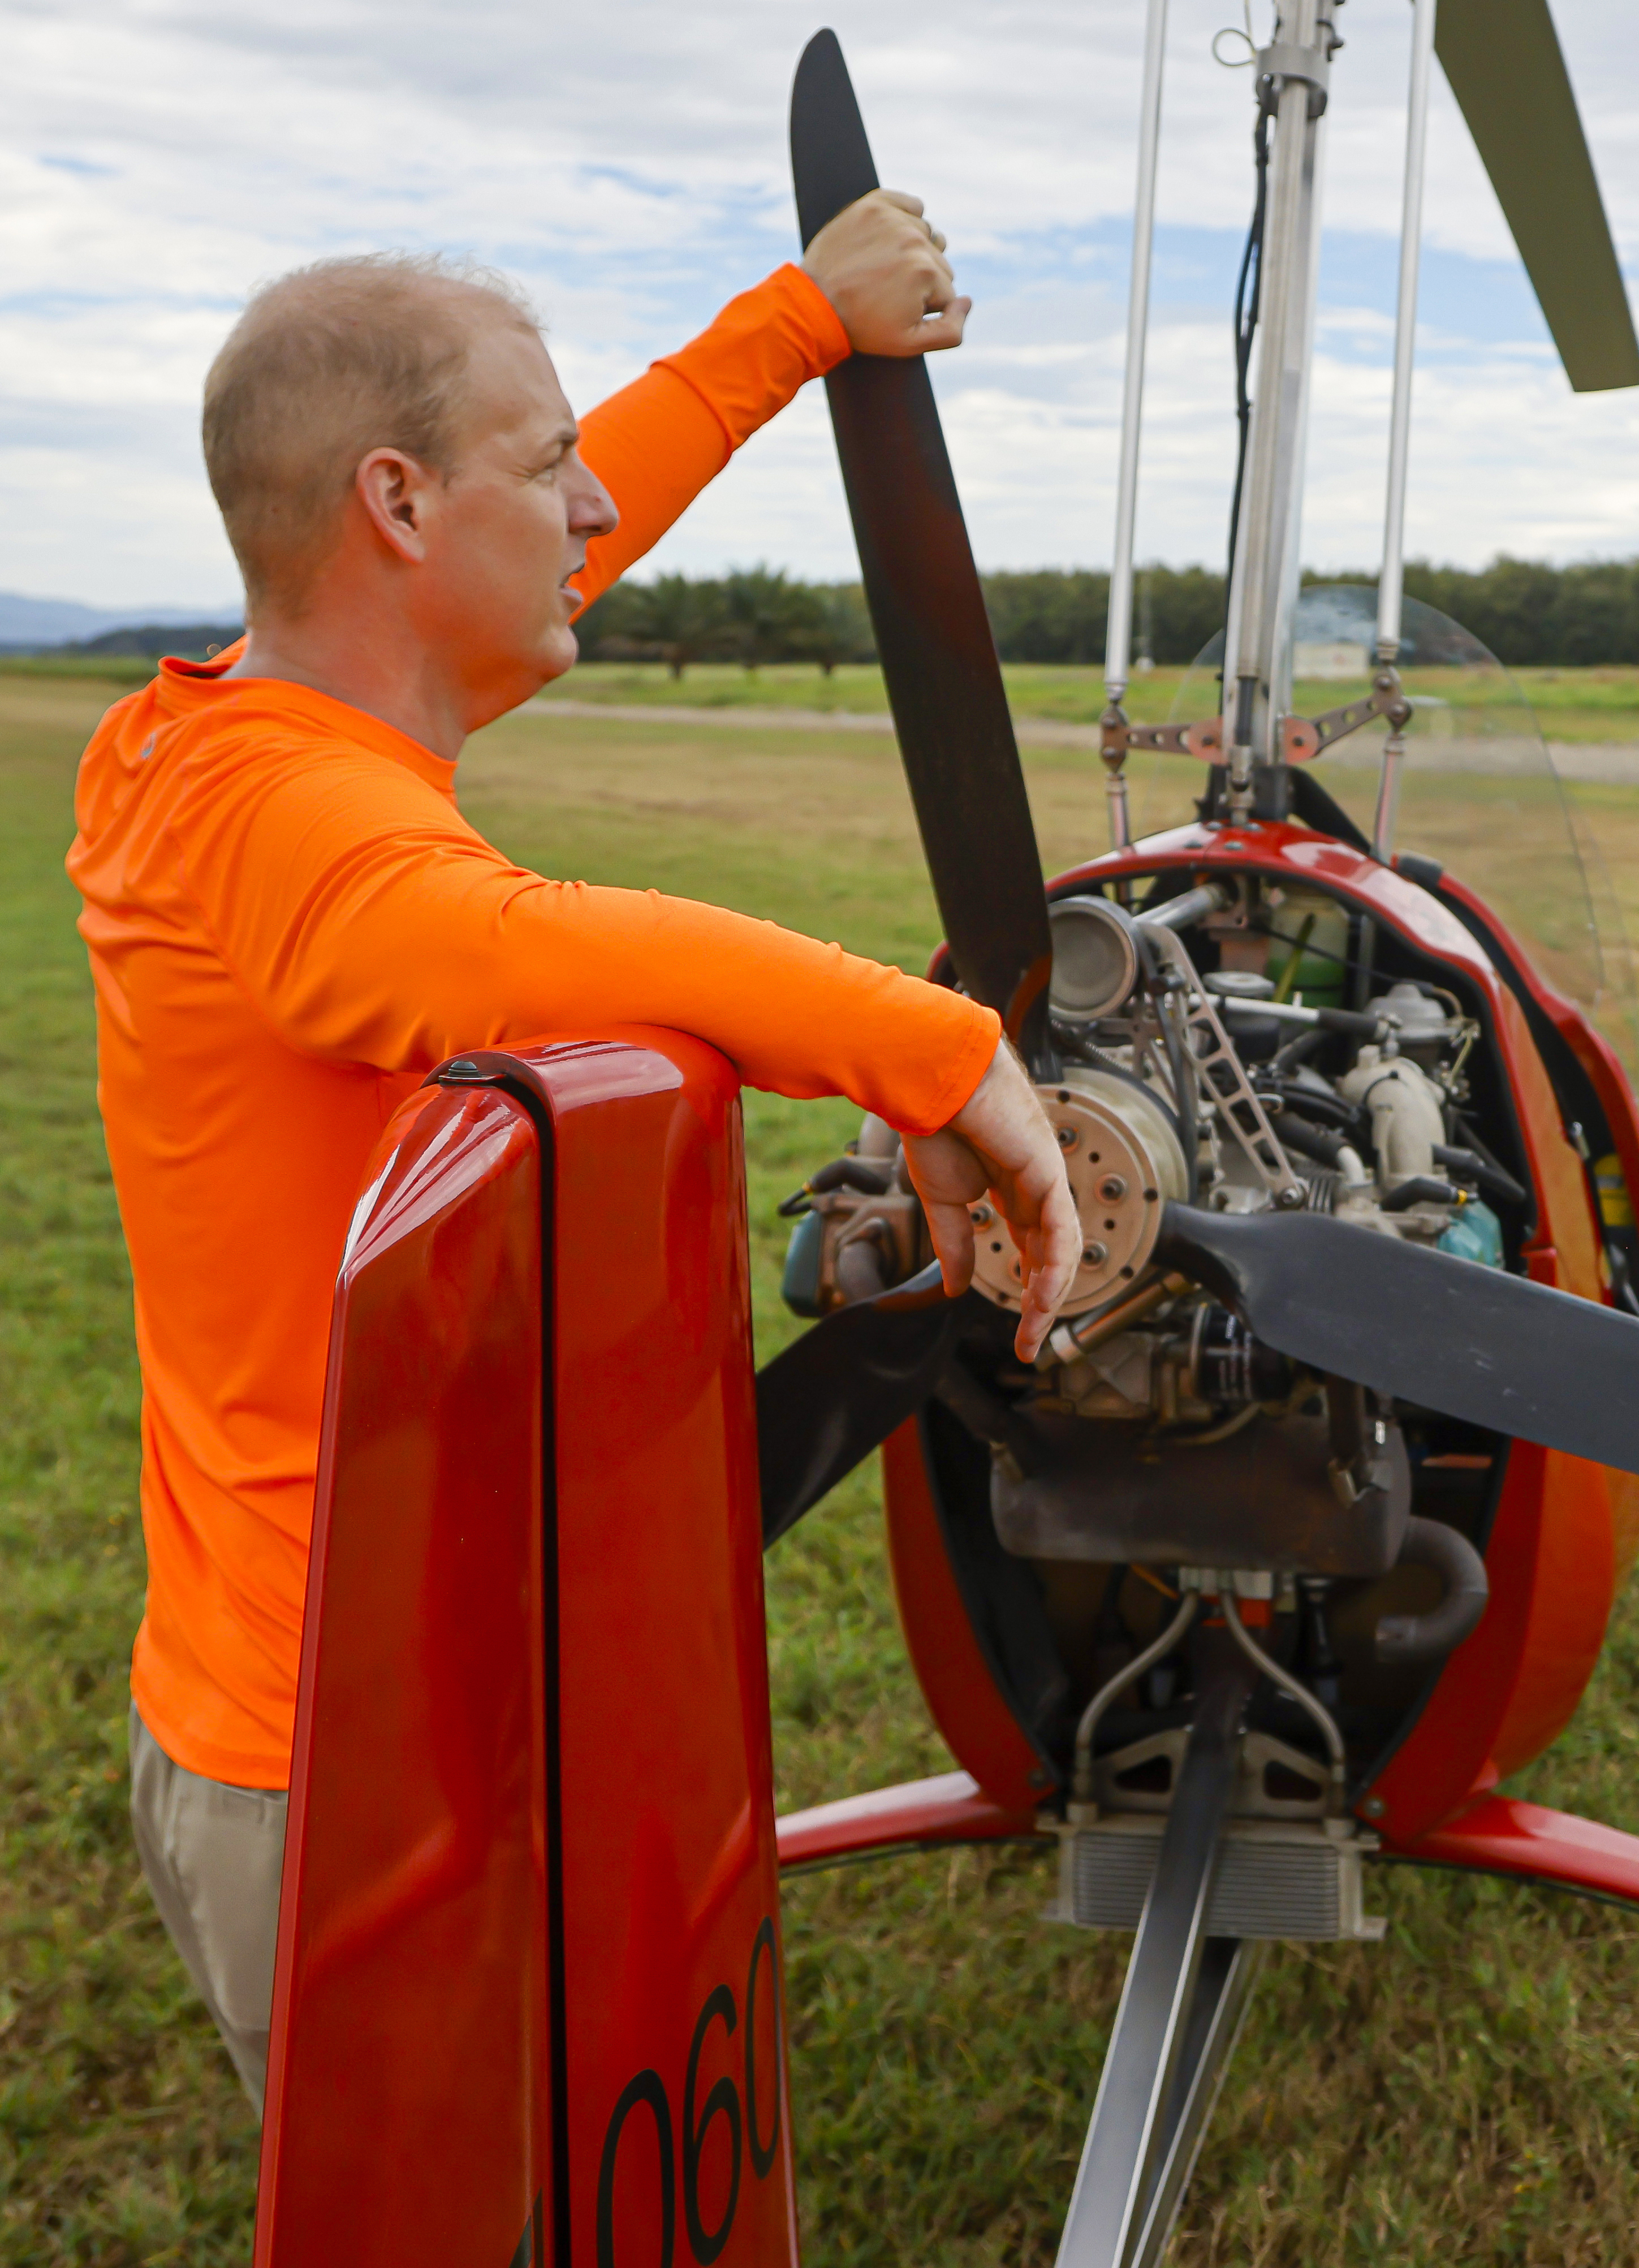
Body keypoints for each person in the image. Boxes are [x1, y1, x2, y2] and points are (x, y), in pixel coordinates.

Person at [68, 204, 1086, 2107]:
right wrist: (948, 1057)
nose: (597, 515)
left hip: (377, 1711)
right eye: (549, 475)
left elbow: (575, 532)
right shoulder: (289, 823)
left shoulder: (222, 745)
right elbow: (500, 947)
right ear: (396, 503)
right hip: (354, 1765)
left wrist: (799, 326)